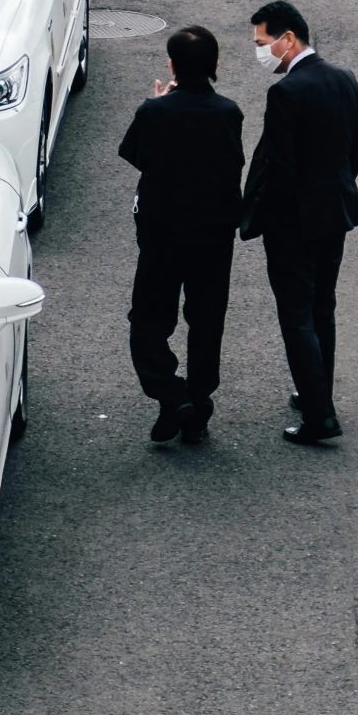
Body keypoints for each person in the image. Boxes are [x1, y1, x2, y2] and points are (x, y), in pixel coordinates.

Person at [240, 0, 358, 447]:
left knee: (296, 315)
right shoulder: (343, 79)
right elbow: (357, 151)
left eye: (263, 42)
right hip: (336, 213)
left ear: (288, 39)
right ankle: (317, 392)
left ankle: (319, 416)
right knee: (321, 307)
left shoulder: (286, 93)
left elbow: (280, 166)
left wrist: (267, 217)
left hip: (293, 222)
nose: (260, 51)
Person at [118, 24, 244, 446]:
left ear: (172, 65)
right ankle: (198, 402)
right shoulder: (229, 113)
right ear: (216, 66)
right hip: (213, 234)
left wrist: (156, 105)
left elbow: (135, 154)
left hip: (162, 231)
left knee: (149, 318)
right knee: (207, 319)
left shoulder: (156, 112)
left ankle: (172, 395)